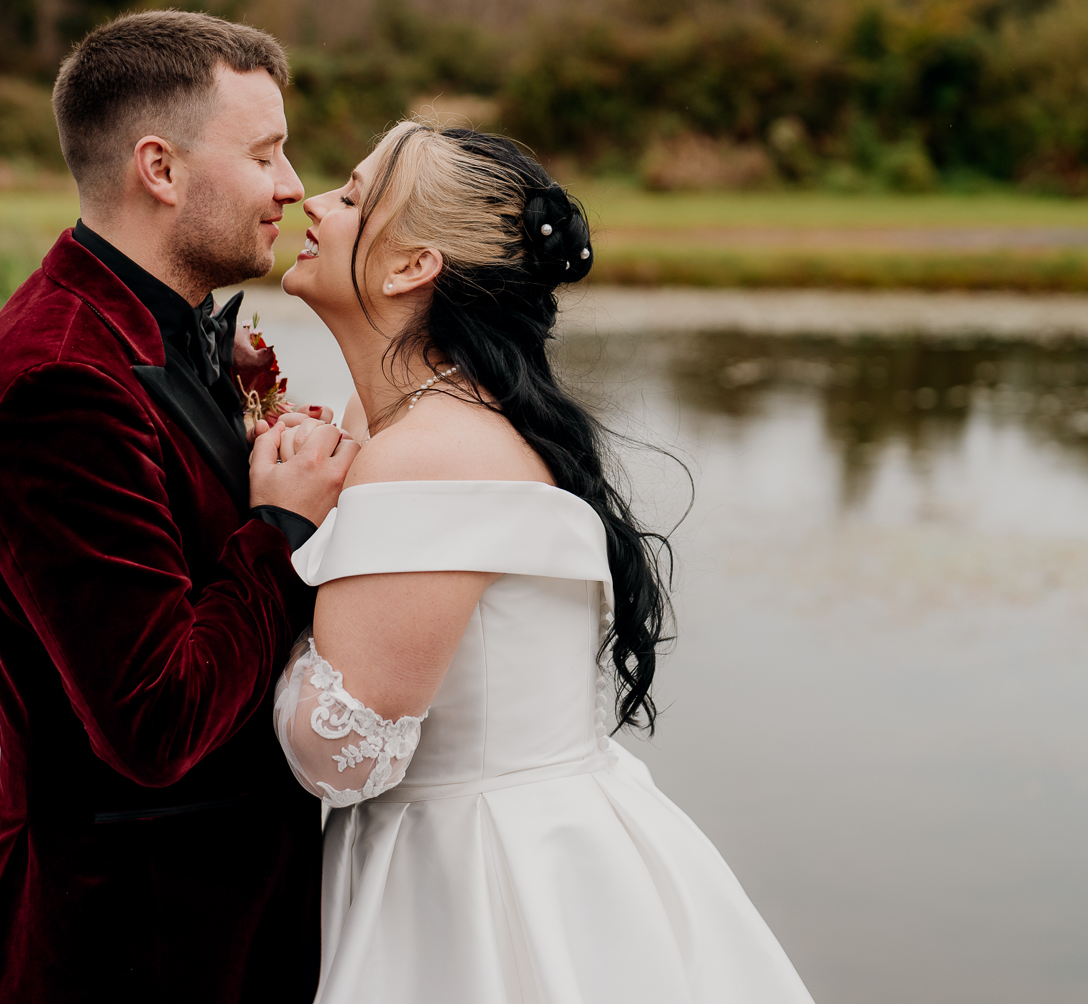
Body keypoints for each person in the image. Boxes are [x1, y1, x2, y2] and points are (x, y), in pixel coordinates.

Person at [269, 122, 816, 1003]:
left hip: (475, 882)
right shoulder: (430, 428)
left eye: (352, 195)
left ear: (413, 266)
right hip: (557, 844)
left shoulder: (428, 454)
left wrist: (278, 541)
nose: (313, 202)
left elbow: (342, 753)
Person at [0, 10, 356, 1003]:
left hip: (217, 933)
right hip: (123, 946)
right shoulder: (60, 383)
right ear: (160, 169)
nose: (293, 183)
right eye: (264, 153)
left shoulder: (151, 329)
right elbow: (153, 719)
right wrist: (281, 527)